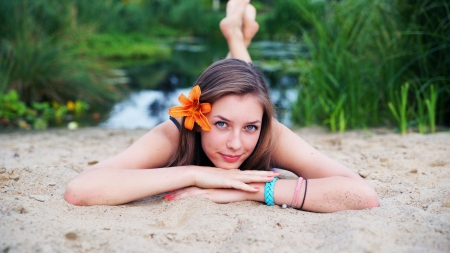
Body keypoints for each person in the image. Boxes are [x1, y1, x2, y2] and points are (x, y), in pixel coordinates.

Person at [65, 0, 379, 212]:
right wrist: (195, 174)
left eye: (250, 128)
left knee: (247, 90)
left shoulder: (270, 133)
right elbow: (81, 190)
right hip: (202, 121)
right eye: (220, 124)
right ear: (199, 117)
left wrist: (248, 191)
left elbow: (362, 195)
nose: (235, 144)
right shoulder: (174, 133)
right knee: (241, 88)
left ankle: (235, 36)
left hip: (248, 106)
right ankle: (235, 37)